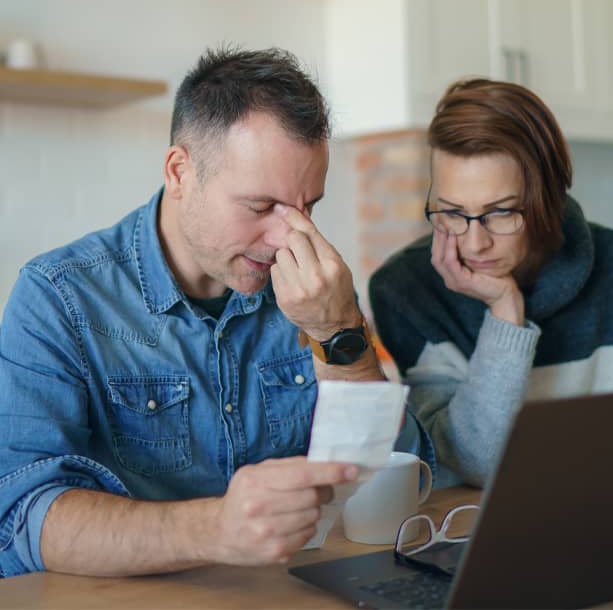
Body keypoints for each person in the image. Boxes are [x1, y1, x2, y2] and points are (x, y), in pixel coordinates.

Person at [0, 47, 431, 578]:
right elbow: (22, 517)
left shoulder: (315, 290)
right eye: (260, 207)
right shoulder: (58, 297)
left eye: (307, 207)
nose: (286, 238)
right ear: (181, 172)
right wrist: (217, 528)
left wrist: (339, 334)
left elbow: (400, 477)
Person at [369, 78, 613, 490]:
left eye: (500, 213)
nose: (475, 243)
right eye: (452, 213)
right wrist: (505, 312)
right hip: (470, 536)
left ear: (547, 200)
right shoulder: (405, 289)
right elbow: (476, 462)